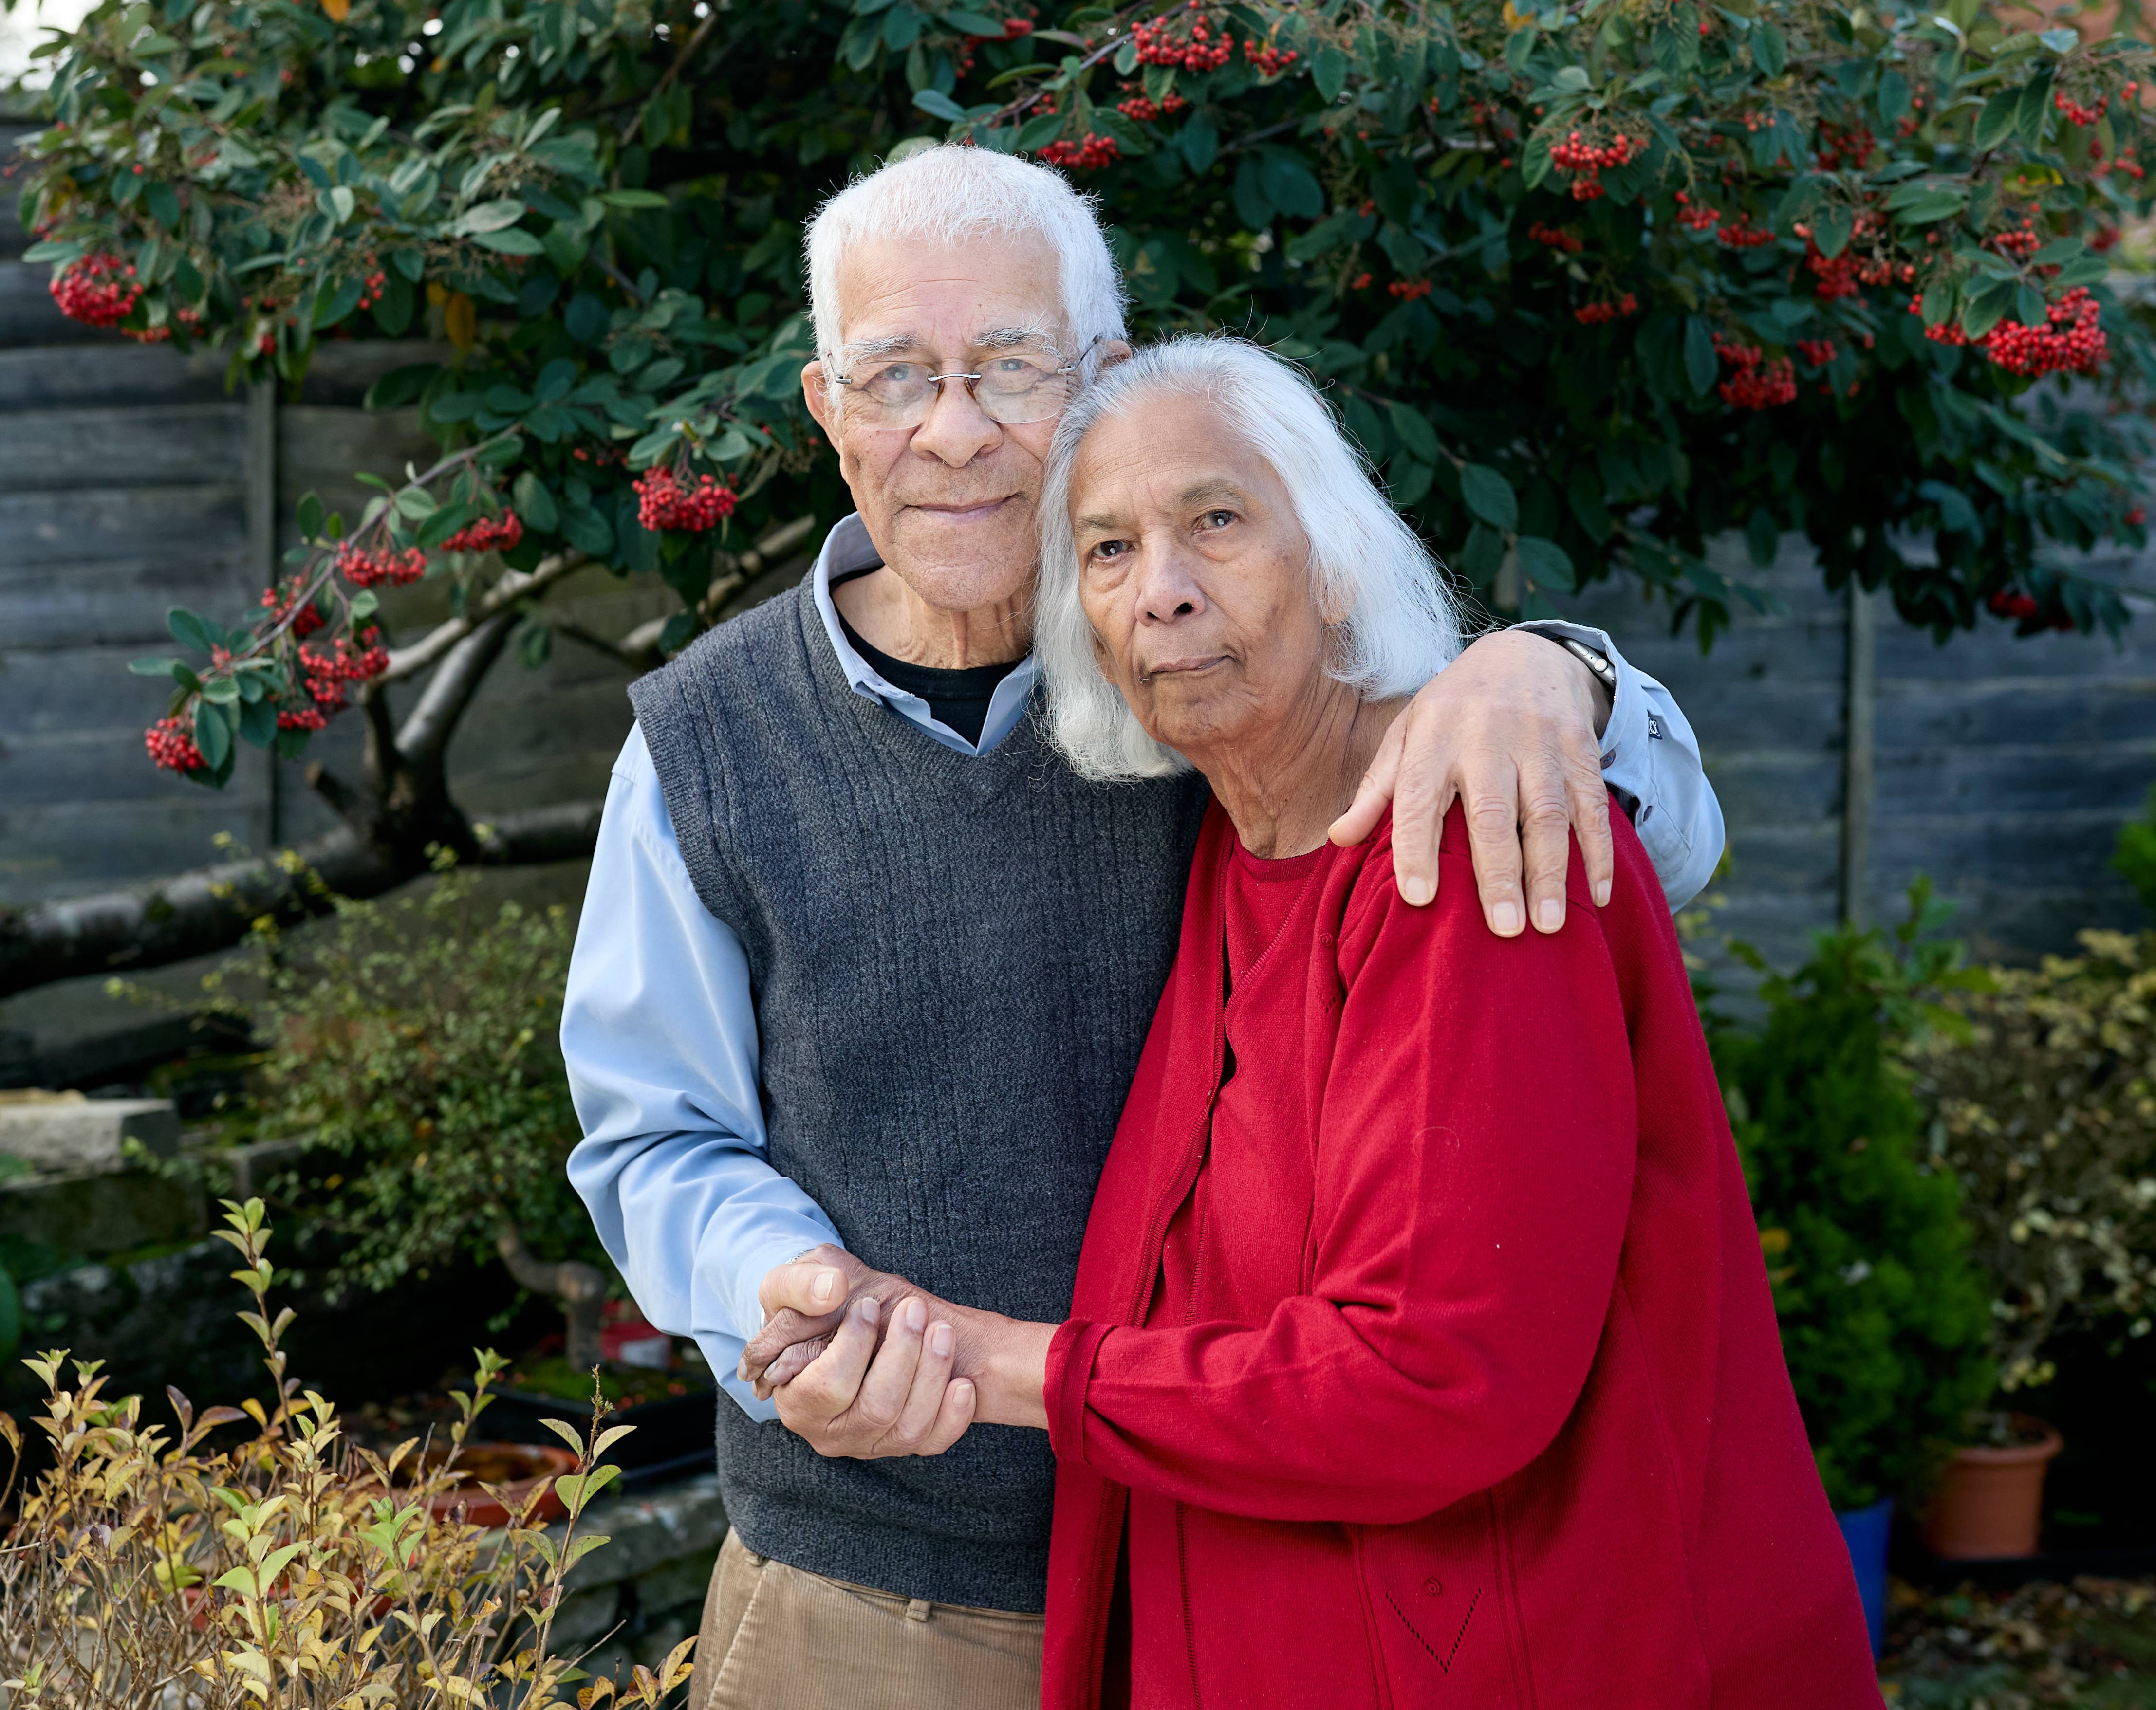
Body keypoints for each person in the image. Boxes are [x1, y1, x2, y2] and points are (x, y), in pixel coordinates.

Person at [564, 145, 1728, 1710]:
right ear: (826, 411)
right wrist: (795, 1294)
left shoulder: (1208, 669)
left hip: (1271, 1577)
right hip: (889, 1592)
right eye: (894, 374)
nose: (953, 427)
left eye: (1009, 366)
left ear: (1102, 375)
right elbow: (654, 1139)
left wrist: (1553, 671)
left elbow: (1641, 850)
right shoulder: (702, 741)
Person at [742, 336, 1879, 1709]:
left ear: (1338, 562)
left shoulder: (1464, 841)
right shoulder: (1230, 840)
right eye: (1105, 552)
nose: (1158, 592)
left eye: (1213, 521)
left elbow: (1430, 1373)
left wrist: (995, 1363)